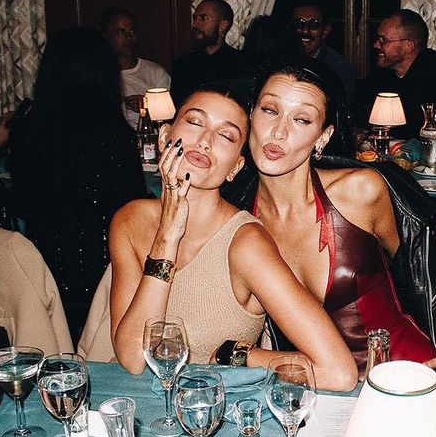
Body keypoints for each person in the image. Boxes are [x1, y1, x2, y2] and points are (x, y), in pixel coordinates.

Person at [225, 63, 436, 386]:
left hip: (403, 376)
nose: (279, 132)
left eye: (302, 119)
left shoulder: (359, 191)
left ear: (323, 137)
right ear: (250, 115)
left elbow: (428, 265)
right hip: (311, 386)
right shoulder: (236, 214)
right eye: (270, 110)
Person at [108, 85, 357, 391]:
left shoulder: (245, 243)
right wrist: (167, 239)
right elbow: (133, 358)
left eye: (226, 136)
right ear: (164, 137)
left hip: (211, 411)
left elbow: (339, 372)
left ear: (235, 168)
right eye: (195, 122)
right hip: (133, 403)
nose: (205, 141)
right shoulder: (130, 220)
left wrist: (240, 356)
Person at [9, 26, 148, 340]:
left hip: (44, 269)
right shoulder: (114, 136)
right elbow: (133, 207)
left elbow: (21, 200)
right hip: (104, 275)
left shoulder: (27, 130)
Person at [354, 8, 436, 140]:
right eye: (377, 39)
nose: (376, 45)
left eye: (383, 40)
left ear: (408, 45)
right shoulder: (386, 72)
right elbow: (356, 94)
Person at [101, 7, 171, 129]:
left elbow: (169, 117)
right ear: (106, 37)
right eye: (121, 32)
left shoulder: (155, 72)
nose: (128, 36)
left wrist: (148, 107)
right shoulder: (99, 74)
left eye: (132, 31)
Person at [170, 0, 246, 103]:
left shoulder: (241, 64)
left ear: (222, 26)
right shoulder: (182, 65)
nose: (195, 24)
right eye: (194, 18)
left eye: (203, 18)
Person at [289, 3, 355, 100]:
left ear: (325, 31)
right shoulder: (281, 59)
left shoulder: (340, 68)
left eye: (314, 24)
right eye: (299, 24)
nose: (305, 31)